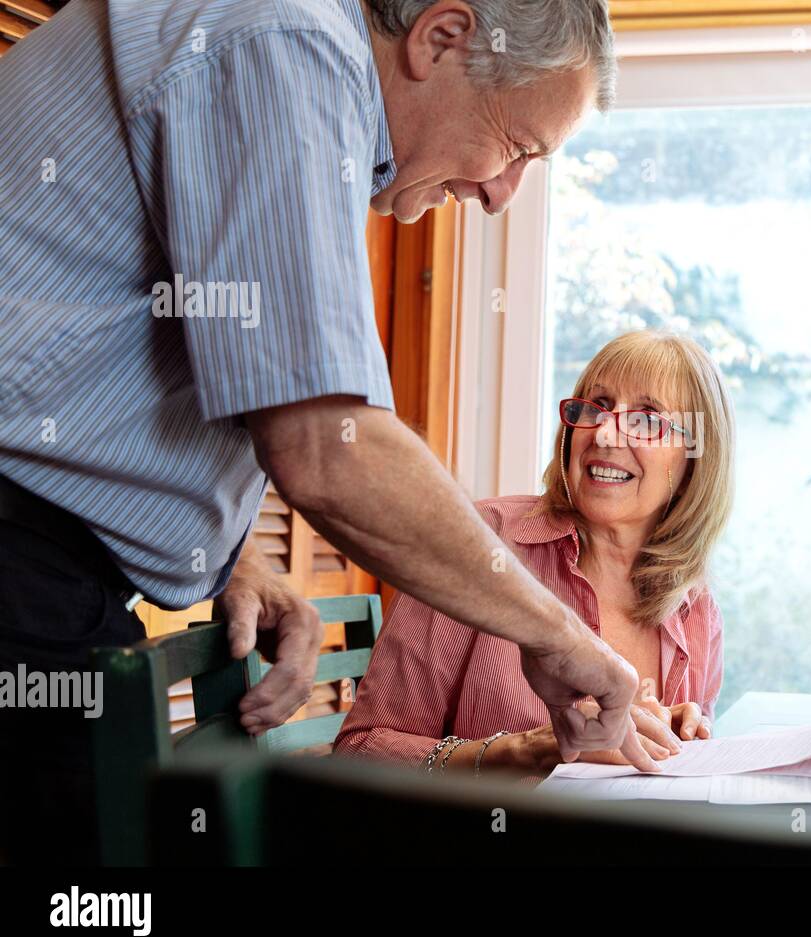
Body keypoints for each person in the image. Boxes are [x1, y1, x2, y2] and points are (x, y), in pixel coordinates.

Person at [0, 0, 650, 865]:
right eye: (518, 147)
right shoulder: (288, 40)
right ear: (443, 36)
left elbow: (81, 356)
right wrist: (562, 636)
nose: (500, 194)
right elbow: (325, 447)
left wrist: (228, 553)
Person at [336, 330, 736, 777]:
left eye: (645, 419)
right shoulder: (478, 542)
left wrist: (677, 744)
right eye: (595, 407)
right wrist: (529, 751)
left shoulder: (696, 610)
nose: (603, 432)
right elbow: (361, 754)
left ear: (694, 461)